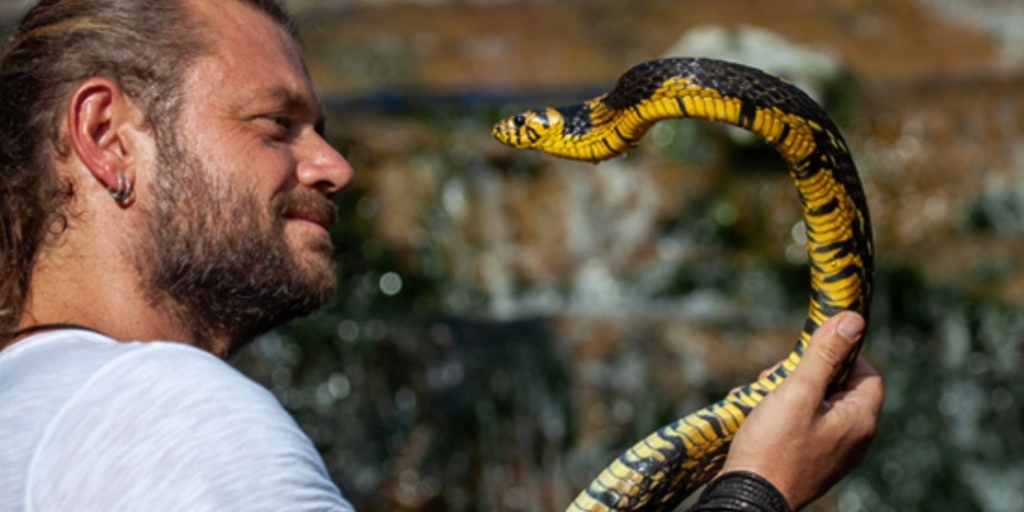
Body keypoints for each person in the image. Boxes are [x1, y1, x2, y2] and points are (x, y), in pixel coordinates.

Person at [0, 0, 883, 511]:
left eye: (324, 129)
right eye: (277, 126)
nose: (334, 167)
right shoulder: (170, 419)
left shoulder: (34, 410)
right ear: (107, 135)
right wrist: (757, 489)